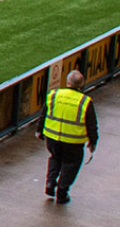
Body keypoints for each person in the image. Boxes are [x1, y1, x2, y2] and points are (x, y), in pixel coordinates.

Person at [39, 70, 97, 204]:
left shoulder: (54, 95)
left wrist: (39, 130)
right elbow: (92, 124)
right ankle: (62, 192)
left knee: (55, 158)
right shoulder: (85, 101)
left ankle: (50, 183)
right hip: (73, 141)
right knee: (71, 165)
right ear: (81, 84)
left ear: (67, 82)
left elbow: (44, 113)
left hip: (52, 138)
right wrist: (93, 142)